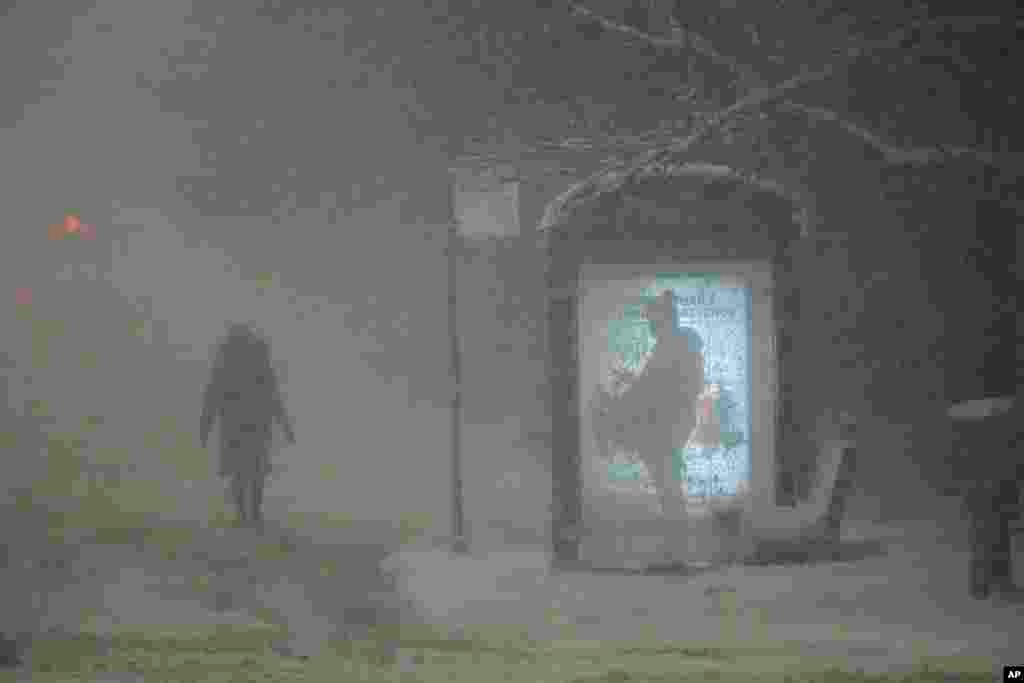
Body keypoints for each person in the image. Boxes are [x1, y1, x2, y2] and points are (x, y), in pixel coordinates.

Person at [200, 323, 295, 527]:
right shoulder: (257, 357)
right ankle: (253, 514)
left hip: (236, 424)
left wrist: (205, 428)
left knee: (240, 472)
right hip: (257, 423)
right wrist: (285, 425)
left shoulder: (226, 359)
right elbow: (273, 393)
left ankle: (244, 515)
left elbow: (213, 395)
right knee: (254, 470)